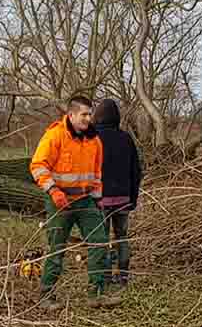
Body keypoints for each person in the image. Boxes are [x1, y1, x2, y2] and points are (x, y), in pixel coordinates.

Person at [30, 94, 117, 308]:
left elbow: (96, 175)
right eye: (84, 114)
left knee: (99, 242)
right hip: (59, 200)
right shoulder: (55, 136)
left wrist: (98, 200)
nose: (88, 119)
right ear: (71, 114)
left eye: (90, 114)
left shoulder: (95, 141)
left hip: (86, 201)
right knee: (57, 248)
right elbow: (38, 166)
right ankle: (45, 295)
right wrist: (53, 190)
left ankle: (95, 294)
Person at [91, 97, 142, 288]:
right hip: (123, 199)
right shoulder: (126, 138)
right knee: (122, 237)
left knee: (101, 239)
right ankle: (123, 277)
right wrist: (133, 198)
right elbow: (136, 171)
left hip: (100, 200)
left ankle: (104, 276)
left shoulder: (92, 138)